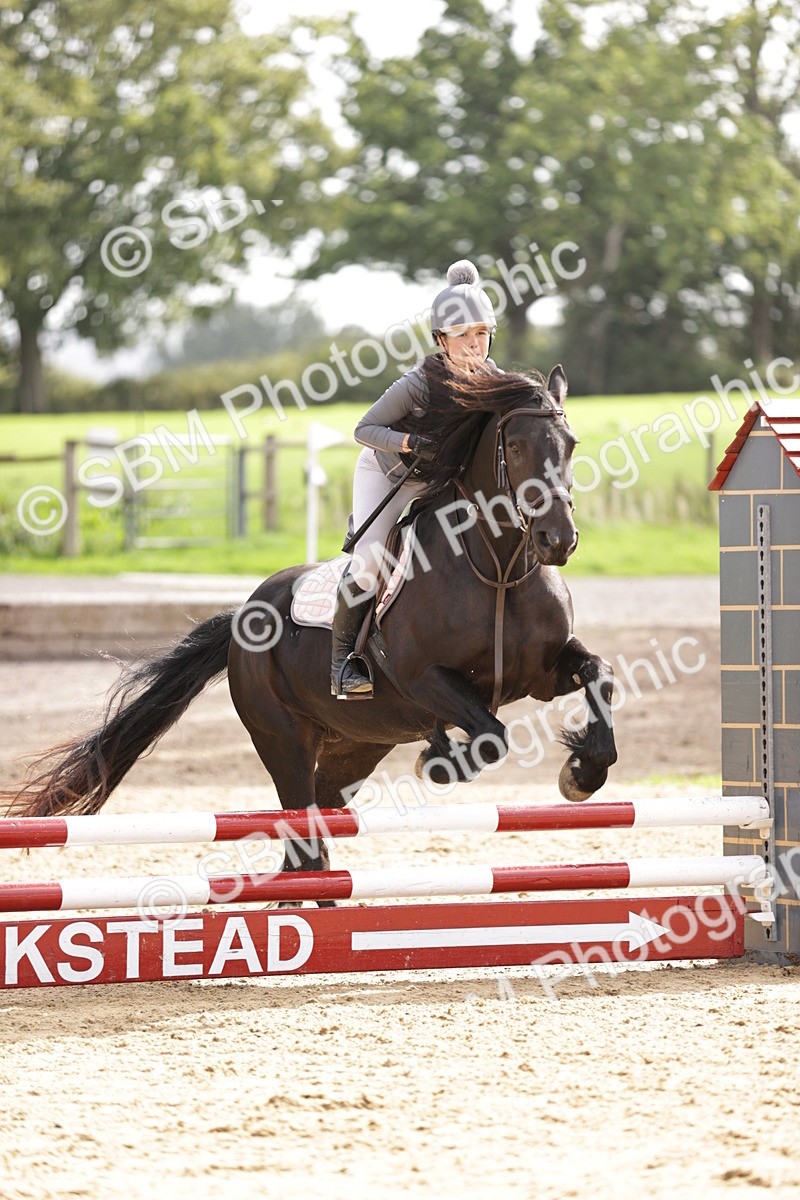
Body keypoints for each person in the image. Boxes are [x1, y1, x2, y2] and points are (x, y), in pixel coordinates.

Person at [331, 259, 498, 699]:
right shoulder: (419, 384)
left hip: (441, 484)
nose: (473, 343)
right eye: (462, 334)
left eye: (480, 333)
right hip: (388, 475)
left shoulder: (492, 380)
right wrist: (408, 442)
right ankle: (343, 663)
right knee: (369, 566)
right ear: (441, 339)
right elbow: (363, 429)